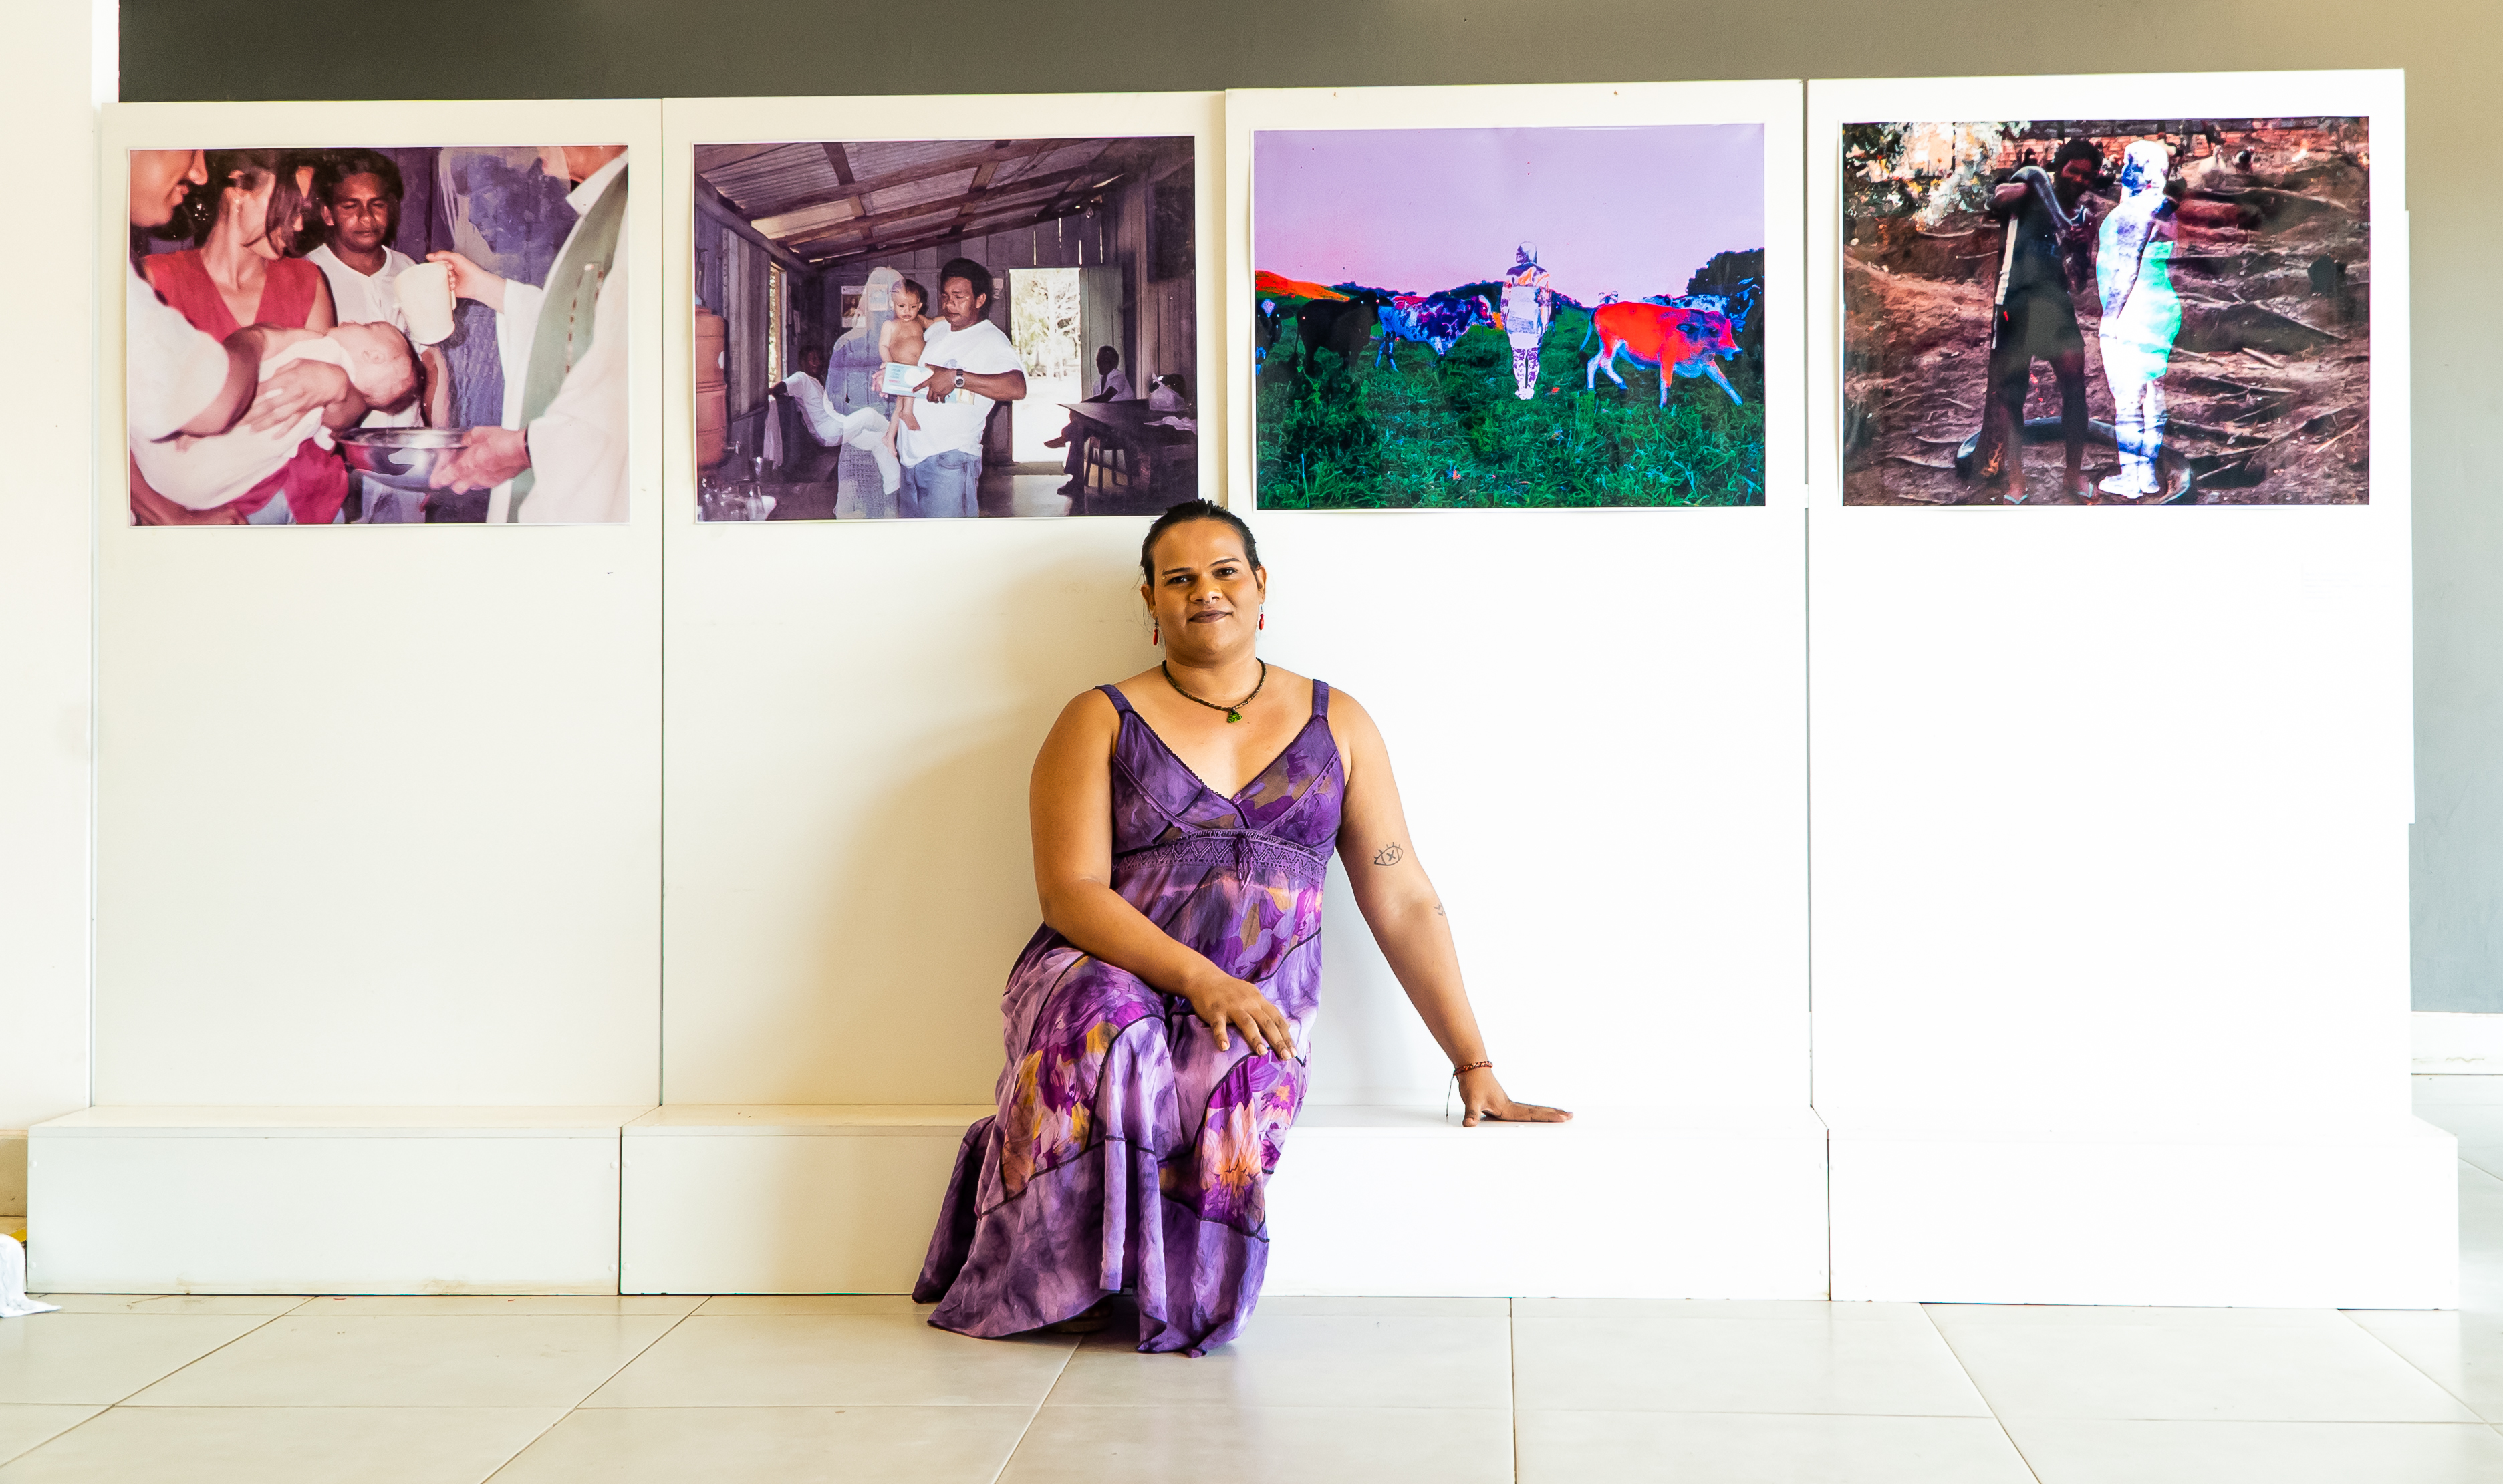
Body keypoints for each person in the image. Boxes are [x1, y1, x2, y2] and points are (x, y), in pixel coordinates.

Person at [914, 500, 1569, 1354]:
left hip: (1256, 995)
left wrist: (1473, 1064)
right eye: (1177, 578)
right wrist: (1198, 977)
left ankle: (1160, 1292)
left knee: (1229, 1080)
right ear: (1149, 603)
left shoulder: (1339, 722)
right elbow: (1069, 893)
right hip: (1099, 970)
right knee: (1109, 1027)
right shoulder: (1098, 717)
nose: (1204, 592)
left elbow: (1400, 893)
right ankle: (1047, 1286)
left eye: (1224, 572)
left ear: (1260, 588)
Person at [124, 148, 363, 524]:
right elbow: (113, 429)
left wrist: (339, 386)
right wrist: (175, 518)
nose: (299, 225)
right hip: (213, 513)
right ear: (239, 190)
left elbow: (341, 418)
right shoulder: (153, 281)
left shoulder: (307, 281)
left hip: (313, 504)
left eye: (305, 210)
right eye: (289, 205)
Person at [424, 145, 628, 524]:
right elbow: (574, 326)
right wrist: (485, 287)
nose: (538, 145)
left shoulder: (635, 208)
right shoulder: (606, 208)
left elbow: (623, 369)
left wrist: (526, 448)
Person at [136, 323, 419, 518]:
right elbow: (332, 431)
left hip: (165, 452)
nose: (354, 320)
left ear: (374, 356)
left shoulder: (321, 346)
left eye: (367, 327)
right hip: (197, 492)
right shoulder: (333, 406)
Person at [1978, 138, 2101, 504]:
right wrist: (2023, 185)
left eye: (2087, 176)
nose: (2080, 180)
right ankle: (2017, 480)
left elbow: (2080, 283)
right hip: (2013, 304)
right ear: (2057, 168)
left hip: (2055, 308)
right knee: (2013, 395)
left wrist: (2084, 241)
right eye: (2073, 171)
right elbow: (1995, 199)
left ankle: (2073, 475)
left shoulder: (2081, 217)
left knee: (2076, 392)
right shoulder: (2029, 190)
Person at [306, 151, 452, 434]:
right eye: (350, 206)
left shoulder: (408, 269)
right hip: (340, 444)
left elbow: (431, 362)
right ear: (327, 214)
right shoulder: (309, 274)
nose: (366, 218)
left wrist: (435, 432)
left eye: (377, 205)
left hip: (407, 437)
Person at [896, 258, 1027, 519]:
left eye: (959, 297)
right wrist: (890, 375)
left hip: (949, 462)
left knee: (951, 550)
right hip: (911, 459)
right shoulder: (939, 329)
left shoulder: (991, 340)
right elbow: (919, 372)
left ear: (980, 300)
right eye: (945, 296)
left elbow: (1017, 387)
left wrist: (958, 378)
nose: (949, 304)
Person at [2095, 140, 2183, 500]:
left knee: (2129, 399)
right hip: (2160, 308)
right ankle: (2147, 473)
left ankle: (2131, 476)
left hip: (2133, 312)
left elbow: (2127, 268)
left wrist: (2110, 319)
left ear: (2142, 170)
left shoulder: (2133, 212)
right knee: (2153, 394)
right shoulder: (2165, 209)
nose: (2122, 171)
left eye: (2128, 163)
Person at [1045, 345, 1137, 494]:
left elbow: (1106, 397)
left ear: (1115, 362)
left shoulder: (1118, 377)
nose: (1101, 364)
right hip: (1105, 425)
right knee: (1078, 431)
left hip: (1120, 428)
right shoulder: (1098, 383)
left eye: (1106, 360)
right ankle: (1076, 479)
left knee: (1077, 430)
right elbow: (1095, 408)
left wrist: (1081, 405)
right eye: (1099, 360)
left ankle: (1065, 439)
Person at [1500, 242, 1552, 400]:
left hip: (1515, 319)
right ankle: (1530, 389)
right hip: (1533, 319)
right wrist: (1544, 323)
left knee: (1518, 356)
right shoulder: (1543, 274)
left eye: (1519, 252)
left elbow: (1505, 299)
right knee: (1533, 355)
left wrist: (1504, 320)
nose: (1517, 255)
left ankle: (1521, 389)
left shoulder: (1512, 272)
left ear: (1526, 253)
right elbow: (1545, 302)